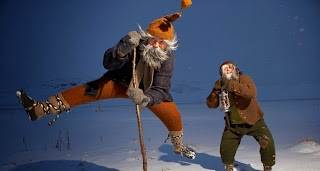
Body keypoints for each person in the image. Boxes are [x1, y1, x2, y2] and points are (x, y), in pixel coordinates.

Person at [16, 2, 195, 160]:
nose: (156, 45)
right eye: (153, 40)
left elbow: (161, 87)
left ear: (168, 45)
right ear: (146, 37)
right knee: (87, 90)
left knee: (174, 116)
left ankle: (178, 146)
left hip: (147, 93)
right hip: (119, 83)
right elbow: (108, 63)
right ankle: (39, 109)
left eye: (161, 42)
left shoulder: (168, 59)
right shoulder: (132, 43)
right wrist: (122, 49)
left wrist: (146, 98)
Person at [206, 61, 275, 171]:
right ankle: (229, 169)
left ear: (236, 69)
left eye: (230, 68)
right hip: (233, 125)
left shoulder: (244, 79)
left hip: (254, 121)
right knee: (226, 148)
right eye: (224, 69)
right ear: (221, 73)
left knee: (267, 143)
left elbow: (251, 92)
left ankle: (267, 168)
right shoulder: (222, 85)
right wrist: (215, 92)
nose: (227, 70)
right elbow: (211, 105)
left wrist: (231, 85)